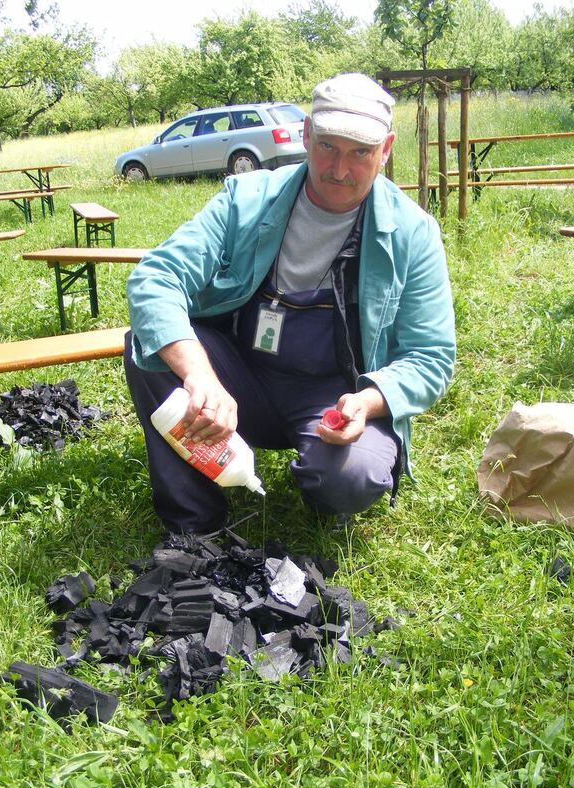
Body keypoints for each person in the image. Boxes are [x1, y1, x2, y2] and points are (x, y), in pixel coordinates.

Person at [125, 72, 456, 534]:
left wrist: (367, 401)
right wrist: (200, 374)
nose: (340, 170)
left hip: (333, 393)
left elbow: (432, 357)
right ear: (305, 134)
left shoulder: (413, 233)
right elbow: (155, 278)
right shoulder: (246, 198)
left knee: (352, 477)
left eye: (360, 152)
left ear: (386, 149)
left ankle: (321, 482)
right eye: (328, 147)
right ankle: (194, 525)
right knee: (152, 341)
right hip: (238, 375)